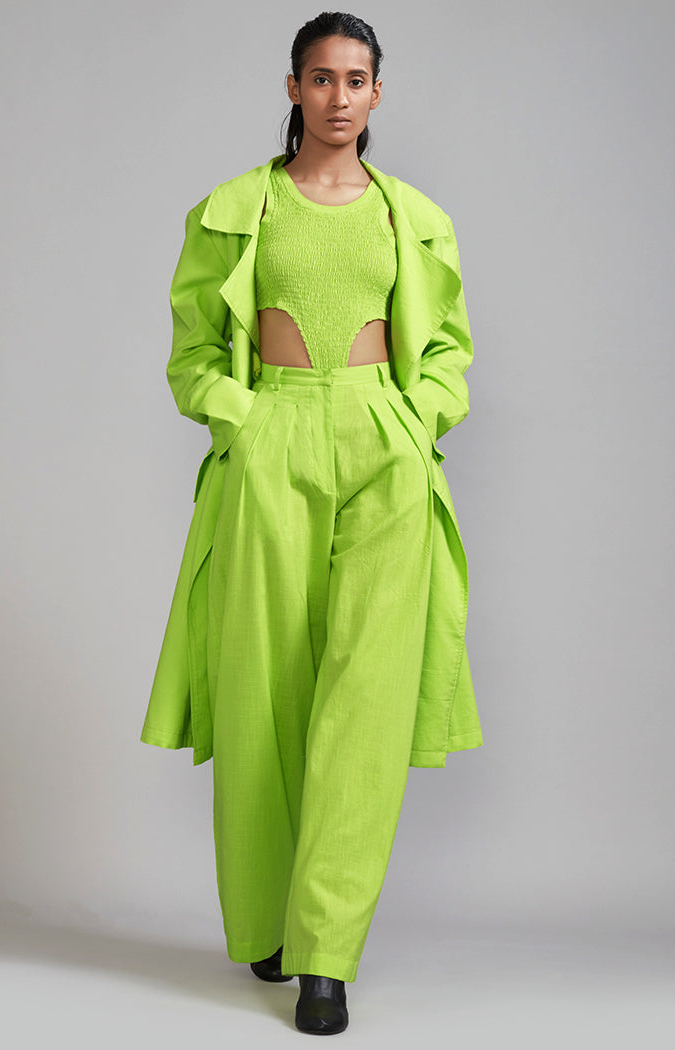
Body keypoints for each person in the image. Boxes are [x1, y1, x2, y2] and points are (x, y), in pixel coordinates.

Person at [140, 11, 484, 1036]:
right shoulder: (233, 211)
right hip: (274, 435)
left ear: (379, 92)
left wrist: (417, 420)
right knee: (264, 691)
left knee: (363, 705)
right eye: (322, 77)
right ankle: (266, 921)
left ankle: (325, 957)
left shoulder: (414, 218)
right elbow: (193, 353)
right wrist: (244, 419)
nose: (340, 96)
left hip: (384, 445)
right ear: (292, 87)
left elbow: (449, 349)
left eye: (357, 79)